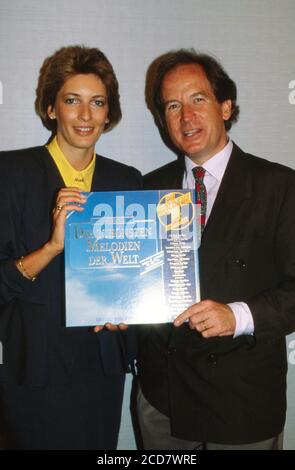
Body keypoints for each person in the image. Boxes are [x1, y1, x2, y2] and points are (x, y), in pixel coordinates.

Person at [136, 49, 295, 450]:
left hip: (242, 402)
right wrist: (120, 304)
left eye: (198, 99)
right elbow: (136, 277)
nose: (186, 117)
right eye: (173, 106)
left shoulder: (279, 186)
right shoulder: (147, 189)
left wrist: (237, 315)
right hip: (163, 399)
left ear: (226, 107)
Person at [0, 45, 142, 450]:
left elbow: (135, 273)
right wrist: (51, 247)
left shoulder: (126, 180)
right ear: (50, 108)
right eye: (71, 101)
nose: (85, 115)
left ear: (109, 113)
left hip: (101, 366)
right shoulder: (10, 174)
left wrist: (127, 310)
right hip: (35, 365)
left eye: (97, 103)